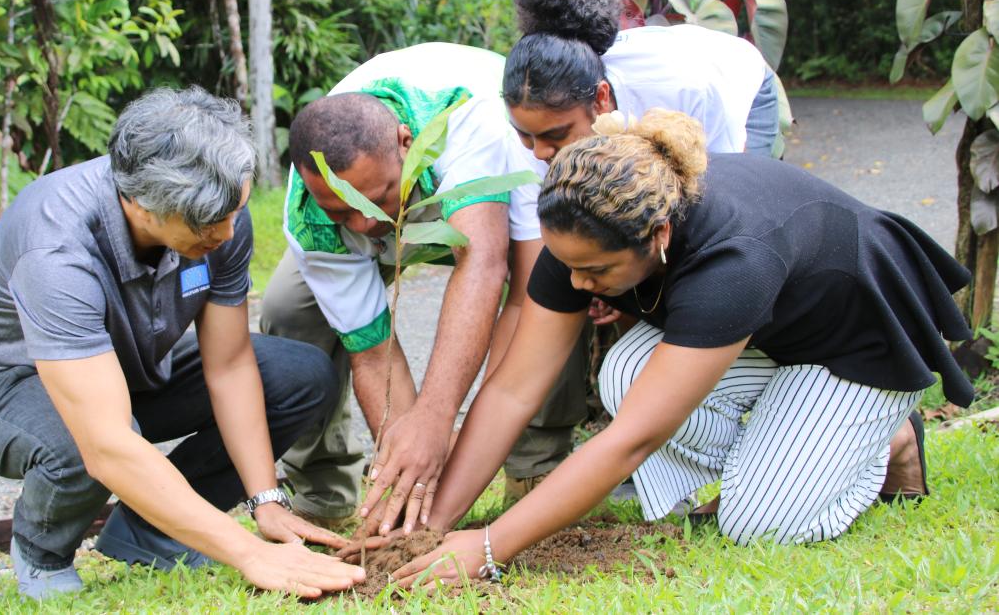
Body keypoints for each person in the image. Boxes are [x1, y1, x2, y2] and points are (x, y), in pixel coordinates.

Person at [392, 109, 971, 585]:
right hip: (774, 332)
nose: (575, 283)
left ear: (661, 236)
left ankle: (885, 442)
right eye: (565, 263)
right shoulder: (585, 231)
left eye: (595, 270)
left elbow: (633, 440)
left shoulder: (733, 263)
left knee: (760, 522)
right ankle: (801, 438)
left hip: (862, 344)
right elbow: (515, 389)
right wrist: (438, 523)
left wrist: (490, 548)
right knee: (625, 373)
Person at [0, 87, 365, 600]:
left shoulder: (216, 209)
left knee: (299, 374)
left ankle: (151, 533)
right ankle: (42, 552)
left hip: (123, 370)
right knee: (87, 442)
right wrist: (251, 555)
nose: (227, 234)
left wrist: (264, 499)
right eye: (209, 224)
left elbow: (228, 366)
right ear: (139, 203)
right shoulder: (56, 248)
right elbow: (107, 443)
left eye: (234, 213)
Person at [259, 42, 587, 536]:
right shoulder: (310, 210)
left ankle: (534, 462)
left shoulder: (468, 118)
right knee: (290, 308)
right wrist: (406, 473)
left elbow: (486, 269)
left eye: (375, 200)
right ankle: (324, 493)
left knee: (553, 285)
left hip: (491, 195)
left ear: (406, 142)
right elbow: (372, 355)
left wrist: (438, 419)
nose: (366, 223)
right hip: (415, 201)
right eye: (343, 211)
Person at [494, 0, 784, 500]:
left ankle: (711, 425)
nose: (539, 153)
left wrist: (629, 283)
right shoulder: (545, 123)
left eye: (553, 138)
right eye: (526, 137)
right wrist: (595, 276)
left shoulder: (684, 87)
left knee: (705, 270)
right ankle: (630, 448)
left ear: (601, 100)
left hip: (735, 100)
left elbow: (716, 207)